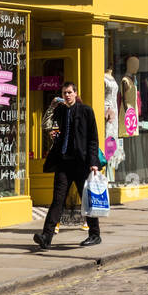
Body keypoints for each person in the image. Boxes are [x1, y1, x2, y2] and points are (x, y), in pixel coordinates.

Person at [33, 81, 101, 249]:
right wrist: (51, 107)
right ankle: (46, 237)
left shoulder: (86, 111)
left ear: (75, 93)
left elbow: (93, 139)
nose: (67, 95)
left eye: (70, 92)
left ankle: (95, 234)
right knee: (57, 200)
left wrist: (93, 162)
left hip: (81, 163)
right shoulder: (61, 111)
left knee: (86, 200)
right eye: (64, 93)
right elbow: (45, 125)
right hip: (63, 163)